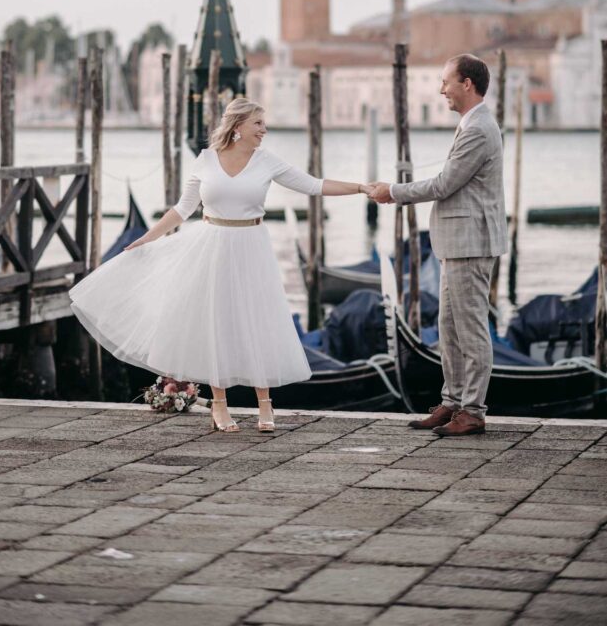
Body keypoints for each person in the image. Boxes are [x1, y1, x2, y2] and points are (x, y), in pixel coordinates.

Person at [69, 98, 372, 433]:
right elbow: (182, 210)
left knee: (256, 320)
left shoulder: (266, 161)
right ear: (238, 125)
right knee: (216, 324)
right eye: (258, 123)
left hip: (252, 247)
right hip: (211, 246)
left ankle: (265, 403)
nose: (264, 130)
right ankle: (219, 404)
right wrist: (148, 238)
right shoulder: (206, 160)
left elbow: (314, 185)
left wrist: (360, 187)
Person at [369, 53, 507, 437]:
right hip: (457, 242)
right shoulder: (472, 124)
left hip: (470, 243)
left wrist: (393, 191)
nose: (441, 89)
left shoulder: (479, 128)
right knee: (449, 327)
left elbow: (445, 184)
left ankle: (473, 410)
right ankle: (453, 401)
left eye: (446, 81)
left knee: (471, 329)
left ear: (467, 83)